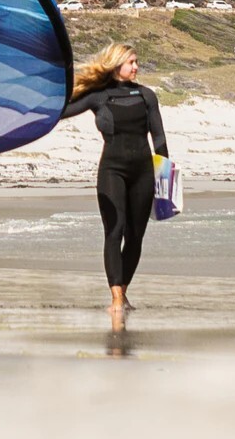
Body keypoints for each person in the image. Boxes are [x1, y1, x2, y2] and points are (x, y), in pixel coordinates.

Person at [62, 43, 168, 316]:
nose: (136, 66)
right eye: (131, 61)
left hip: (143, 172)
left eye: (136, 61)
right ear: (116, 64)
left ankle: (122, 291)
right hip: (112, 171)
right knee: (115, 229)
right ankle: (116, 296)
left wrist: (166, 182)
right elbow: (61, 112)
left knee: (135, 236)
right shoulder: (99, 96)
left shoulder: (147, 96)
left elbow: (159, 139)